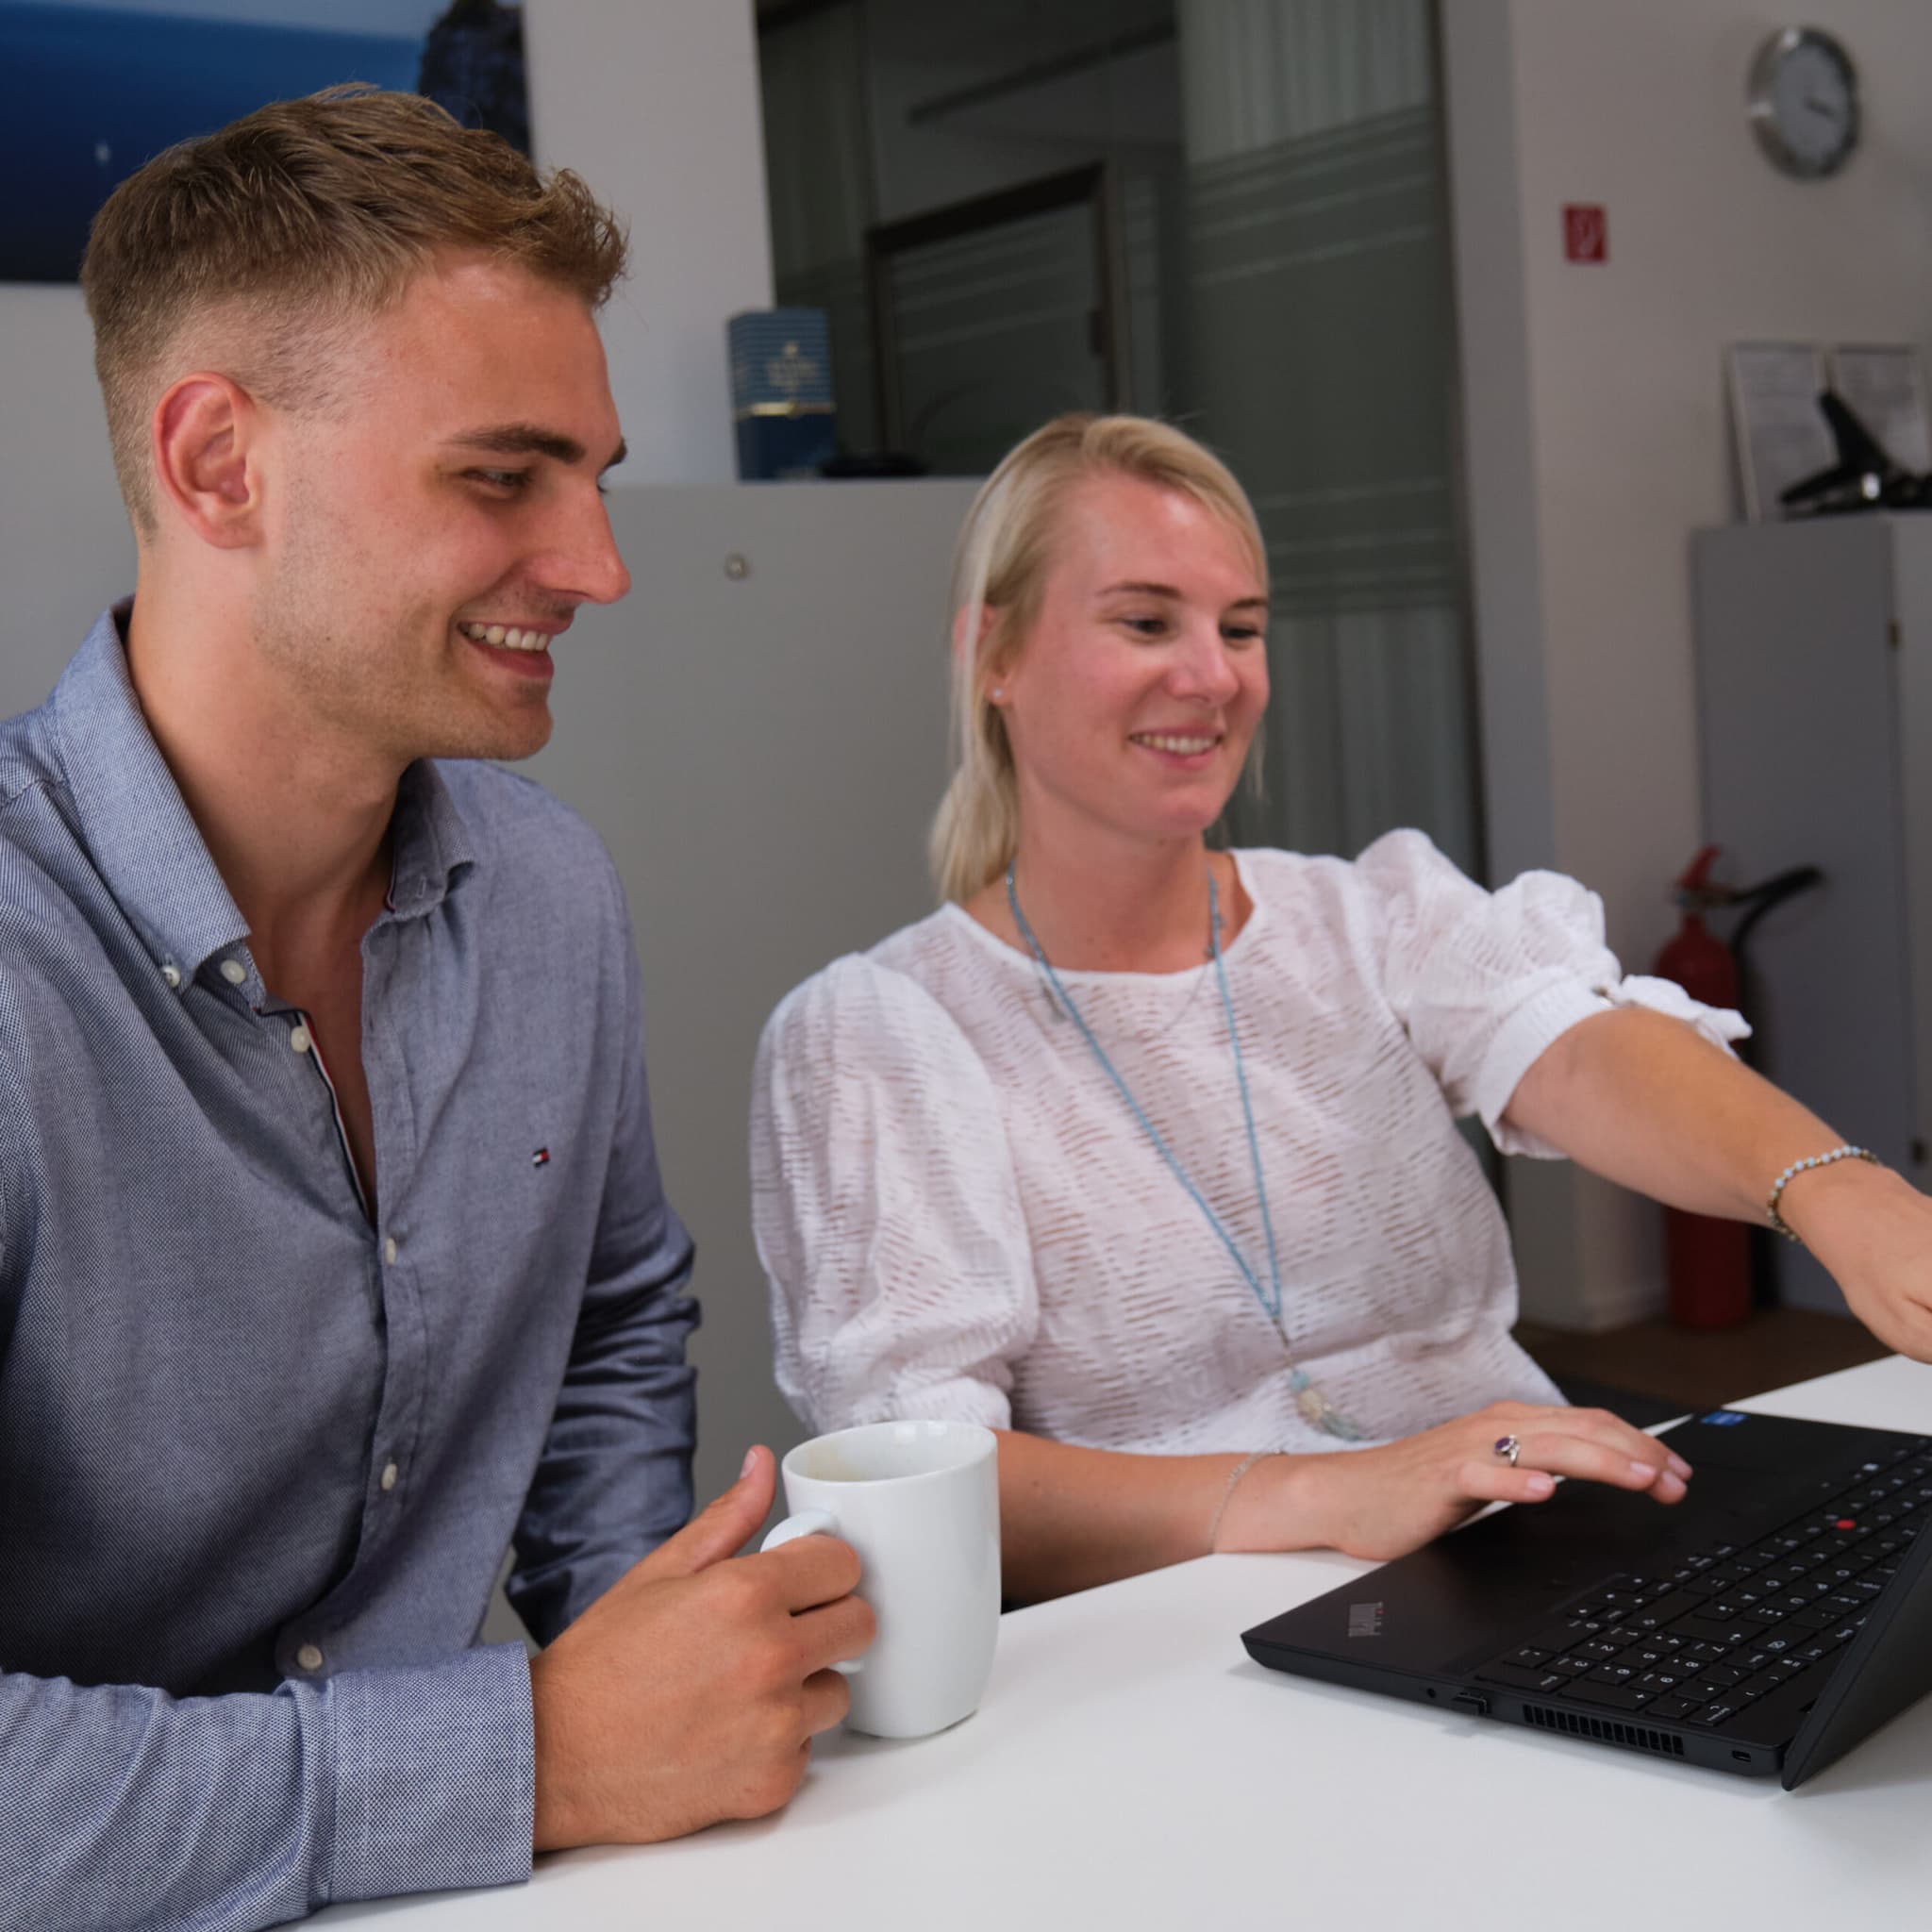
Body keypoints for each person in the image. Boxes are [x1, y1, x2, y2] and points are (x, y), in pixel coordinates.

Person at [0, 89, 871, 1932]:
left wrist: (655, 1639)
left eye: (599, 476)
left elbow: (617, 1311)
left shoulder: (546, 890)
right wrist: (541, 1752)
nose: (601, 563)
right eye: (503, 477)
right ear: (220, 464)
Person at [751, 411, 1932, 1607]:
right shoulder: (883, 1030)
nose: (1211, 675)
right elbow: (926, 1481)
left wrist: (1839, 1192)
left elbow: (1574, 1050)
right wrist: (1328, 1490)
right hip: (1176, 1636)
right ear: (989, 653)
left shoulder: (1361, 913)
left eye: (1241, 628)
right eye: (1145, 620)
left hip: (1509, 1548)